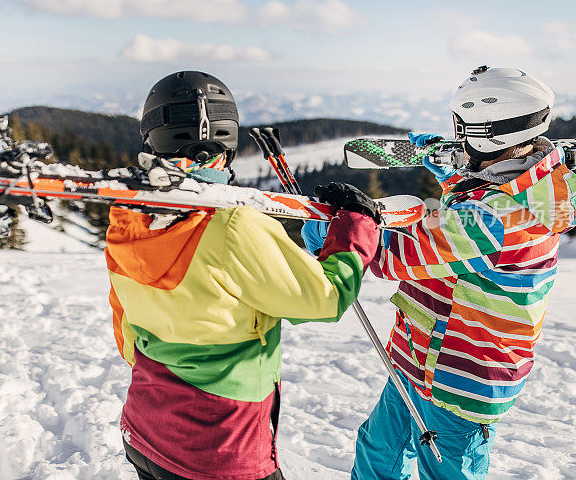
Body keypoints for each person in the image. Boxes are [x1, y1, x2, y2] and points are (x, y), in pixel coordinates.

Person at [303, 66, 576, 480]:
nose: (459, 137)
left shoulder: (497, 216)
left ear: (489, 132)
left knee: (447, 471)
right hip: (420, 357)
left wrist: (338, 230)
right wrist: (453, 173)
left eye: (465, 129)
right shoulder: (523, 187)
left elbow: (401, 254)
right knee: (378, 451)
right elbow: (479, 199)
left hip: (464, 378)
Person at [106, 71, 383, 480]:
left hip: (146, 432)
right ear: (228, 140)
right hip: (220, 450)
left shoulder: (127, 219)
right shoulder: (233, 225)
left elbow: (126, 334)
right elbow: (322, 299)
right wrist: (355, 232)